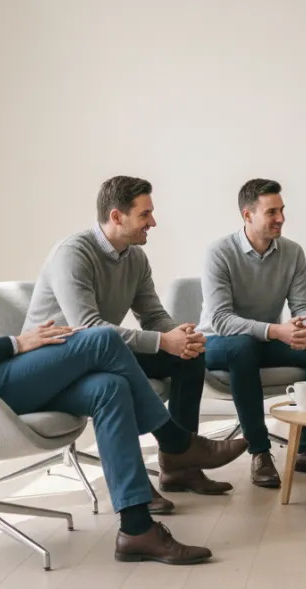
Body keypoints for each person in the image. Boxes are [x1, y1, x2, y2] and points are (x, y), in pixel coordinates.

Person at [0, 163, 247, 565]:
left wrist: (13, 348)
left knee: (109, 387)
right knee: (101, 337)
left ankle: (137, 530)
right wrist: (16, 344)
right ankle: (176, 442)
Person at [25, 175, 226, 509]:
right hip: (57, 359)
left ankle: (180, 467)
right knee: (117, 374)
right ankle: (152, 471)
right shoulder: (72, 254)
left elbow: (153, 315)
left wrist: (179, 336)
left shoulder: (135, 258)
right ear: (116, 216)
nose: (153, 222)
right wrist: (162, 341)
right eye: (145, 214)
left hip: (104, 353)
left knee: (190, 356)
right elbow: (89, 328)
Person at [199, 178, 306, 488]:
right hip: (216, 343)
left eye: (281, 210)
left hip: (263, 341)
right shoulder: (219, 253)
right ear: (247, 215)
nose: (280, 218)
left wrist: (304, 328)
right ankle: (260, 452)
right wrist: (277, 331)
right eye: (271, 212)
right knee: (242, 346)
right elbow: (221, 320)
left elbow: (303, 305)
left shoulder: (292, 252)